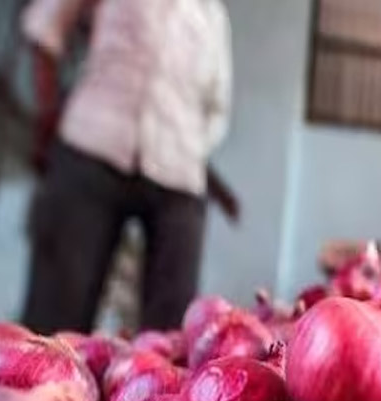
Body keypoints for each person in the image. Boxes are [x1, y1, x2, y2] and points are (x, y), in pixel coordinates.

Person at [20, 0, 233, 334]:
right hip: (92, 144)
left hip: (179, 172)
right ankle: (39, 379)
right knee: (54, 315)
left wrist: (190, 147)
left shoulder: (213, 16)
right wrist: (47, 113)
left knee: (172, 331)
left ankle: (160, 383)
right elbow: (46, 24)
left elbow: (217, 109)